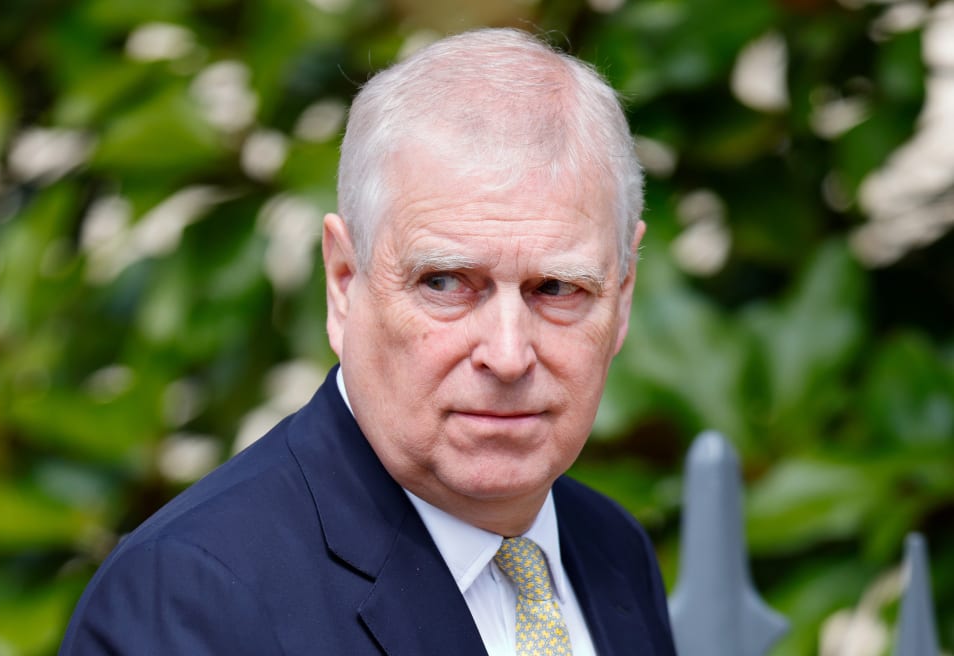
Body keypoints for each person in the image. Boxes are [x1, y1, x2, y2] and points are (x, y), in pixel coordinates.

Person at [59, 27, 676, 655]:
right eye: (446, 282)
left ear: (622, 295)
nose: (509, 355)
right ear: (344, 283)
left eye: (557, 288)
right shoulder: (192, 599)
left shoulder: (610, 550)